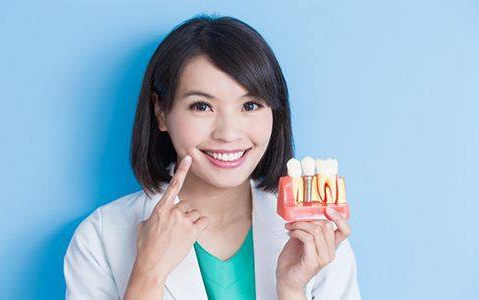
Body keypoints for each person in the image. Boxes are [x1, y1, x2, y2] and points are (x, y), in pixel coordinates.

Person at [63, 14, 361, 300]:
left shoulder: (318, 238)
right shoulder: (100, 237)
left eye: (251, 105)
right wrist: (148, 273)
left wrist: (292, 291)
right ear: (161, 112)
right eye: (202, 106)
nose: (229, 133)